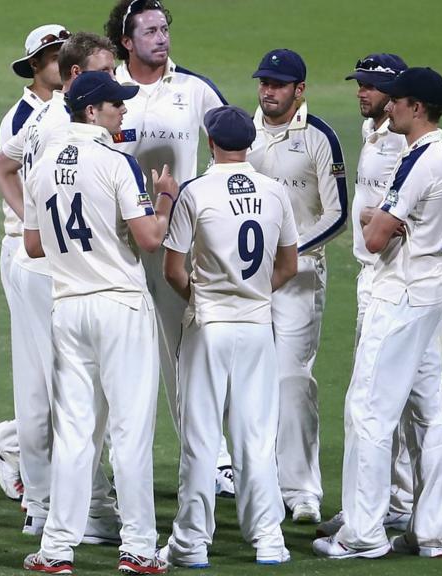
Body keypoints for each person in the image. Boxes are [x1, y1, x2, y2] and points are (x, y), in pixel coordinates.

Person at [21, 70, 172, 575]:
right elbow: (150, 237)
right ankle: (139, 549)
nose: (122, 111)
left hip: (68, 308)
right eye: (114, 105)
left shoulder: (40, 166)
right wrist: (166, 197)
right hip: (119, 306)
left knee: (75, 434)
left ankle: (57, 548)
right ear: (91, 112)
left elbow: (34, 244)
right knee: (129, 432)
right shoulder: (117, 163)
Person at [313, 67, 442, 560]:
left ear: (417, 108)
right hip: (433, 286)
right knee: (427, 411)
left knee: (368, 410)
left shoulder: (419, 162)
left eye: (397, 101)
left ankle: (363, 533)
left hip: (400, 295)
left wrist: (376, 219)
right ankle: (430, 532)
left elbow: (373, 240)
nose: (387, 107)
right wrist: (395, 222)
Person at [0, 32, 122, 541]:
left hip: (43, 264)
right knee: (73, 391)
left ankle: (43, 506)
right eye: (105, 71)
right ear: (74, 76)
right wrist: (36, 226)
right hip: (51, 272)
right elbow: (3, 170)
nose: (114, 80)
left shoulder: (53, 119)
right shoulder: (67, 125)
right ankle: (87, 508)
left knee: (44, 389)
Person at [104, 0, 234, 497]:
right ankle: (114, 465)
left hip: (176, 243)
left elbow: (231, 147)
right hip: (116, 246)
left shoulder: (194, 89)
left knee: (187, 350)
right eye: (150, 31)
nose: (162, 38)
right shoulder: (107, 91)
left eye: (165, 29)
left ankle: (212, 458)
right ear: (126, 40)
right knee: (112, 355)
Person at [159, 105, 298, 568]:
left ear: (210, 143)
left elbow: (173, 270)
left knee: (201, 437)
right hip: (259, 327)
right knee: (257, 436)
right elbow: (288, 265)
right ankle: (269, 539)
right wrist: (255, 294)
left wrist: (202, 298)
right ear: (250, 144)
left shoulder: (195, 192)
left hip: (209, 327)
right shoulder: (275, 192)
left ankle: (191, 543)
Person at [245, 48, 348, 523]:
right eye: (265, 82)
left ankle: (302, 489)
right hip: (247, 279)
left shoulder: (319, 137)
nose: (269, 91)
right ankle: (257, 481)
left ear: (299, 90)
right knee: (247, 381)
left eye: (279, 84)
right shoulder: (241, 133)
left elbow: (337, 213)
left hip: (299, 278)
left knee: (290, 379)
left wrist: (290, 252)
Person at [316, 53, 414, 539]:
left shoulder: (403, 140)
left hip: (393, 280)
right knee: (379, 397)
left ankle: (391, 506)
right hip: (371, 277)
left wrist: (388, 228)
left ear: (396, 94)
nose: (361, 92)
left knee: (378, 400)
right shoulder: (374, 130)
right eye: (359, 83)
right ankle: (387, 502)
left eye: (372, 86)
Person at [0, 23, 69, 504]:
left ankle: (12, 442)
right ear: (35, 65)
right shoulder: (21, 117)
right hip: (27, 252)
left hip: (56, 254)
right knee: (43, 372)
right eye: (54, 55)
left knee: (63, 369)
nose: (62, 61)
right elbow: (8, 175)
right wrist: (37, 227)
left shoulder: (71, 108)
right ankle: (40, 480)